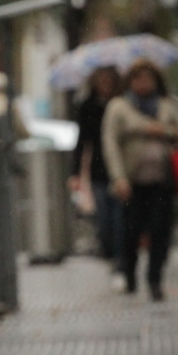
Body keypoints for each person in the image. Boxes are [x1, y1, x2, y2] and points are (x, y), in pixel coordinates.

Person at [101, 59, 178, 302]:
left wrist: (164, 132)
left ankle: (155, 279)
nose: (143, 83)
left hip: (161, 180)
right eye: (138, 78)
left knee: (160, 232)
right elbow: (110, 144)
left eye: (148, 78)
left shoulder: (167, 105)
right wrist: (118, 178)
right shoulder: (118, 107)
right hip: (132, 181)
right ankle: (129, 274)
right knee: (129, 232)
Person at [68, 66, 122, 272]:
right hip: (99, 170)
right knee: (104, 218)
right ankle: (109, 252)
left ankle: (121, 258)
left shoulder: (122, 104)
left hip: (121, 169)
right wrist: (75, 173)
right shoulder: (88, 106)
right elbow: (82, 142)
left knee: (120, 218)